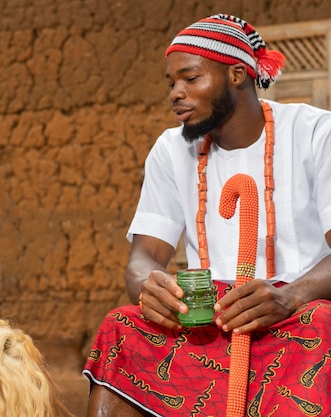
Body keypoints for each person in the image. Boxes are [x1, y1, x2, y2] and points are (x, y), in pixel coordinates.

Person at [83, 14, 331, 416]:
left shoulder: (316, 133)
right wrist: (151, 287)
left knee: (323, 322)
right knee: (121, 327)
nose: (175, 93)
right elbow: (142, 259)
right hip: (208, 324)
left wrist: (290, 296)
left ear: (236, 74)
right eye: (171, 83)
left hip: (296, 316)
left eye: (191, 78)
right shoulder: (170, 149)